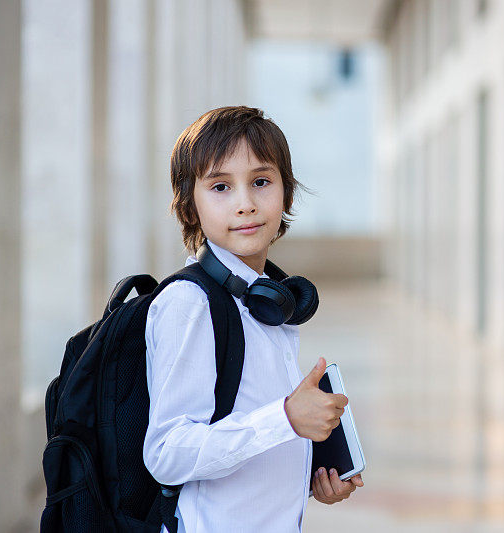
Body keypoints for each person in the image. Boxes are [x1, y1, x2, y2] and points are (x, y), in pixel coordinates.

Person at [143, 106, 364, 532]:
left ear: (287, 195)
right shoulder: (190, 303)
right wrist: (284, 418)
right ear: (190, 207)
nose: (245, 204)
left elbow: (246, 438)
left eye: (261, 182)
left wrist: (311, 476)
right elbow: (167, 453)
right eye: (221, 187)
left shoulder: (269, 301)